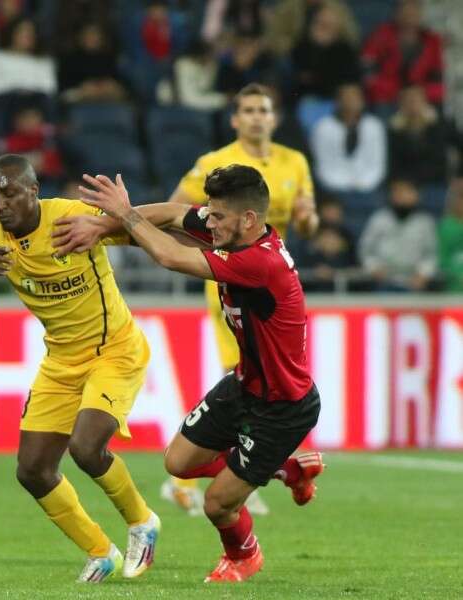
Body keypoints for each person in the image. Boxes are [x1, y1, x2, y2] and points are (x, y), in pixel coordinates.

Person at [56, 164, 323, 583]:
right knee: (178, 462)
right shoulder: (234, 230)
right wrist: (102, 227)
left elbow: (170, 255)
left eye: (217, 216)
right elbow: (174, 213)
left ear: (248, 219)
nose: (208, 222)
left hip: (282, 408)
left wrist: (123, 214)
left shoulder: (261, 263)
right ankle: (286, 470)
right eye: (210, 213)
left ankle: (243, 554)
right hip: (245, 385)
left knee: (217, 504)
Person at [0, 154, 160, 583]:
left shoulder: (69, 217)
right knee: (32, 469)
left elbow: (142, 228)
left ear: (33, 191)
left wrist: (117, 219)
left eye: (9, 194)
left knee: (86, 448)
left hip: (113, 349)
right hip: (61, 360)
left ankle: (142, 522)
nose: (0, 204)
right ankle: (100, 551)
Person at [165, 82, 318, 516]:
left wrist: (308, 219)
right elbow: (176, 210)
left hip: (272, 281)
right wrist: (207, 253)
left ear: (274, 118)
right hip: (231, 283)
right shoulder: (215, 163)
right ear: (234, 119)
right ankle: (238, 473)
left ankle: (251, 472)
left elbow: (308, 224)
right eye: (248, 110)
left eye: (263, 110)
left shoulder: (295, 162)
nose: (256, 117)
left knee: (260, 380)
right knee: (244, 375)